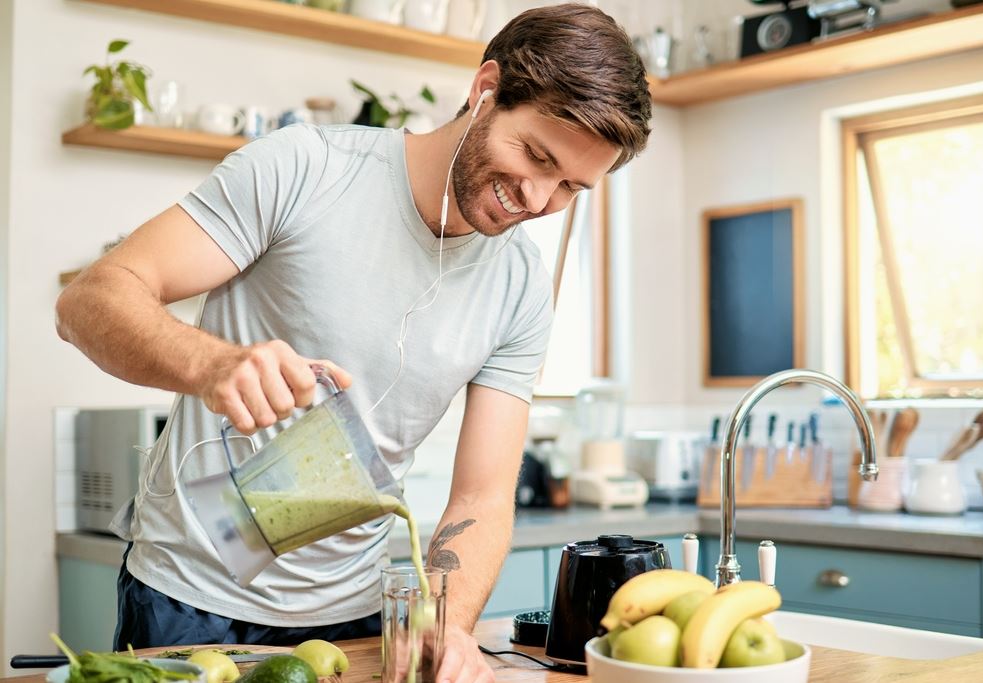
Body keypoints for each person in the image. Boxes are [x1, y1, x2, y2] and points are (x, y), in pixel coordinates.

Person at [54, 4, 652, 681]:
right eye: (536, 155)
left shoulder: (519, 286)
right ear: (486, 89)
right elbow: (88, 301)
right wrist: (210, 363)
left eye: (571, 186)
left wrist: (448, 626)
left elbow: (481, 498)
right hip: (188, 602)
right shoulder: (307, 168)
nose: (538, 198)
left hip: (357, 617)